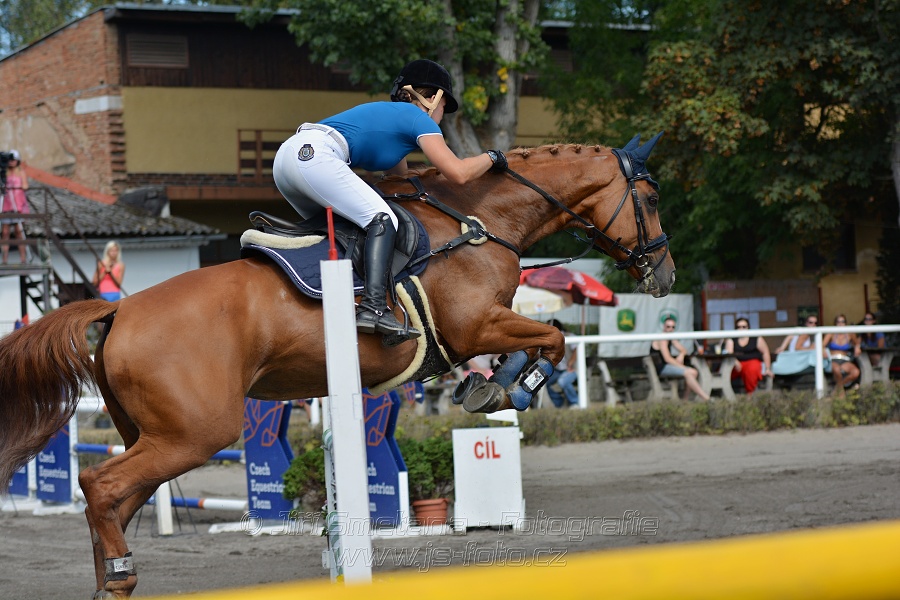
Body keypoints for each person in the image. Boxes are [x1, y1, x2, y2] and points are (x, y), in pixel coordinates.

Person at [273, 59, 508, 343]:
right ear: (432, 98)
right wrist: (493, 157)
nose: (443, 115)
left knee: (345, 231)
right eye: (445, 106)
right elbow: (458, 173)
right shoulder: (417, 118)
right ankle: (373, 307)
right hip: (315, 157)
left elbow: (400, 182)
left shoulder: (398, 128)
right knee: (383, 220)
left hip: (290, 159)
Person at [650, 317, 710, 401]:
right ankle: (706, 398)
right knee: (691, 372)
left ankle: (686, 399)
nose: (670, 329)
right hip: (662, 368)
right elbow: (667, 359)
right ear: (664, 326)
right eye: (668, 327)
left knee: (693, 372)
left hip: (667, 366)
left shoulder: (671, 338)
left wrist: (681, 354)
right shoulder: (662, 339)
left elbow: (683, 350)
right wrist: (683, 367)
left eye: (672, 327)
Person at [724, 317, 773, 395]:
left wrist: (767, 368)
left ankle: (750, 395)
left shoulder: (755, 338)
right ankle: (727, 395)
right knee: (725, 370)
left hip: (752, 362)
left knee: (752, 368)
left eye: (744, 327)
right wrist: (735, 361)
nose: (741, 329)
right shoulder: (732, 339)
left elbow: (765, 352)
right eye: (738, 327)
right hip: (737, 365)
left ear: (748, 327)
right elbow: (729, 353)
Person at [1, 149, 30, 264]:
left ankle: (23, 259)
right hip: (6, 205)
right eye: (9, 160)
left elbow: (25, 186)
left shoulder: (21, 172)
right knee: (5, 233)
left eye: (13, 160)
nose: (11, 162)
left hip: (18, 205)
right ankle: (4, 259)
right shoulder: (3, 173)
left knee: (19, 232)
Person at [823, 314, 860, 395]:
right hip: (833, 359)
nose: (840, 324)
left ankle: (838, 388)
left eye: (843, 322)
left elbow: (857, 343)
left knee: (855, 372)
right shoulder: (831, 333)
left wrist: (857, 347)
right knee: (837, 370)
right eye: (838, 322)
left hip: (845, 359)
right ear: (835, 323)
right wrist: (823, 351)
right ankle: (841, 392)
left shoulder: (850, 334)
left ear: (845, 323)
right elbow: (822, 345)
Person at [545, 320, 578, 408]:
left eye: (548, 326)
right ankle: (559, 403)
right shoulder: (549, 339)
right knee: (544, 382)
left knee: (563, 381)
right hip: (558, 370)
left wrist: (571, 363)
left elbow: (577, 350)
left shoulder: (569, 336)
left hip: (572, 369)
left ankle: (574, 403)